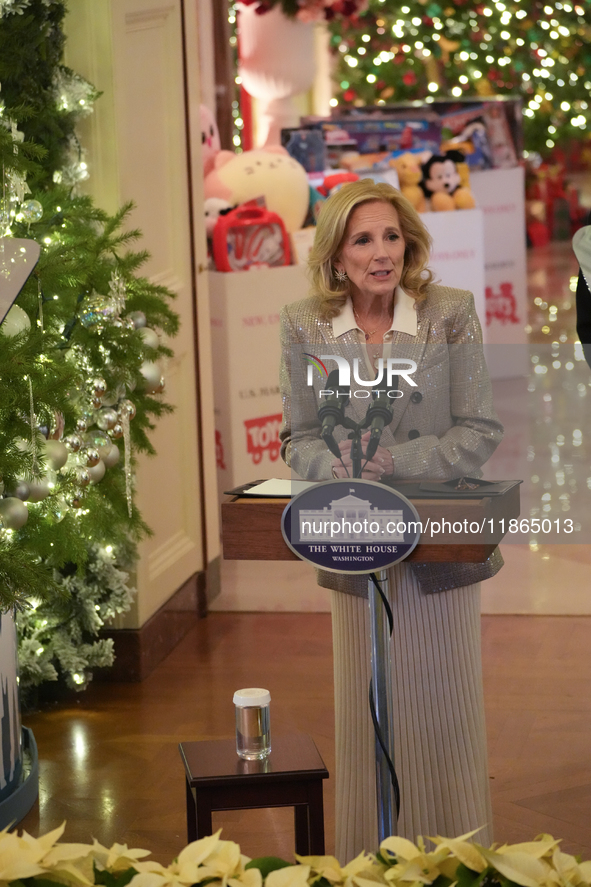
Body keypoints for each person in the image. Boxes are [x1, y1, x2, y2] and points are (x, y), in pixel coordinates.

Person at [279, 180, 504, 858]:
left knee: (443, 716)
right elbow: (296, 438)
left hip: (439, 551)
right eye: (362, 239)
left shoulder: (450, 312)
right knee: (368, 714)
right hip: (352, 545)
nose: (381, 253)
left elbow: (478, 429)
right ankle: (369, 859)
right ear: (335, 254)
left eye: (391, 236)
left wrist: (396, 457)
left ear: (407, 241)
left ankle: (456, 857)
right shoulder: (303, 323)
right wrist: (343, 463)